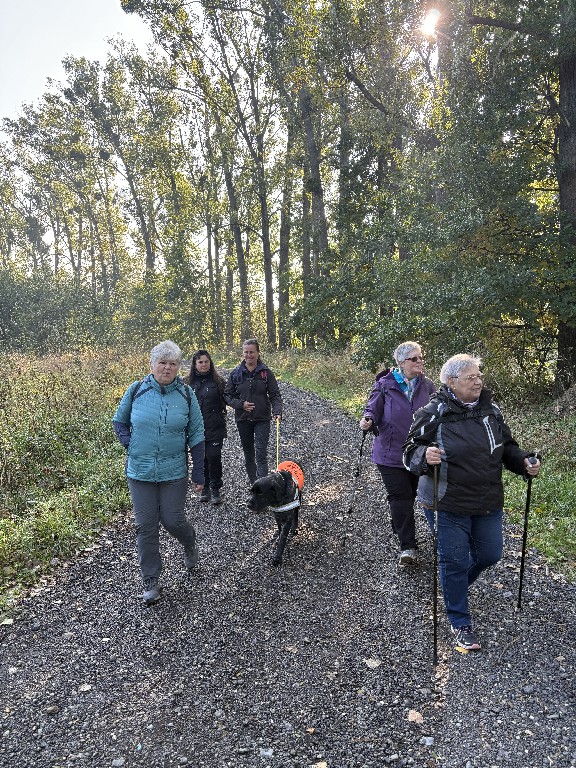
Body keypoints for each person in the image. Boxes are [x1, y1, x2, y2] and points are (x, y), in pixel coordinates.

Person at [403, 353, 541, 651]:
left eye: (479, 376)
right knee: (453, 560)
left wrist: (523, 462)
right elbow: (409, 452)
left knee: (490, 554)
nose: (478, 382)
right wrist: (425, 456)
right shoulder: (434, 412)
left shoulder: (491, 410)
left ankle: (453, 587)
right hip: (446, 501)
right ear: (451, 382)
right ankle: (460, 622)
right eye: (471, 377)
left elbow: (507, 448)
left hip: (487, 499)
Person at [113, 340, 205, 606]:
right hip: (139, 472)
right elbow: (119, 421)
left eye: (173, 363)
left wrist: (199, 472)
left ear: (179, 367)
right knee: (145, 526)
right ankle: (151, 581)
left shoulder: (186, 395)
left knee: (172, 520)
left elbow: (197, 433)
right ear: (152, 364)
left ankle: (189, 542)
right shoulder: (137, 390)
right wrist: (131, 445)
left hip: (173, 471)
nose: (167, 368)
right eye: (162, 362)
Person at [359, 341, 436, 566]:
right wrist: (368, 419)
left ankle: (400, 522)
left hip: (418, 453)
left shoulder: (428, 386)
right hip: (390, 453)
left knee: (410, 495)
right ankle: (408, 547)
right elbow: (372, 408)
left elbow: (438, 411)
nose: (420, 361)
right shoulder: (385, 384)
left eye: (421, 357)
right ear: (401, 363)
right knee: (401, 497)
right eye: (414, 358)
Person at [224, 338, 283, 485]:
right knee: (249, 453)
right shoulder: (236, 373)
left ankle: (263, 486)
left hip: (262, 418)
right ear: (243, 353)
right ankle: (254, 485)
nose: (249, 355)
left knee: (261, 453)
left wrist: (277, 411)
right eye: (246, 352)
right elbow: (227, 396)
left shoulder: (266, 373)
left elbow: (275, 395)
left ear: (258, 353)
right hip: (243, 419)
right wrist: (240, 404)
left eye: (252, 352)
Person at [186, 349, 227, 506]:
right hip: (196, 429)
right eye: (200, 362)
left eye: (206, 361)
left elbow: (230, 397)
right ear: (195, 364)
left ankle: (215, 488)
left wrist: (243, 404)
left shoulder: (219, 382)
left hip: (215, 427)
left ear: (210, 363)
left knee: (214, 457)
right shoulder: (187, 383)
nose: (204, 364)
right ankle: (205, 487)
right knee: (201, 458)